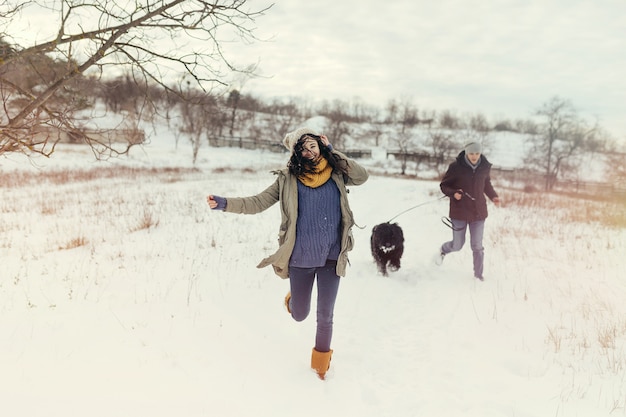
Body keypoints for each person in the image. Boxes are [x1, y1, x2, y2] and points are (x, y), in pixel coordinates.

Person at [206, 127, 369, 379]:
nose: (309, 151)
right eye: (302, 148)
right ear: (295, 153)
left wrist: (333, 151)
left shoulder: (337, 172)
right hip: (300, 257)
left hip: (331, 256)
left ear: (320, 144)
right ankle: (293, 300)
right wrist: (225, 203)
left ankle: (320, 369)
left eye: (313, 145)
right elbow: (257, 202)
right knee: (300, 315)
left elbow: (362, 176)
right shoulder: (287, 179)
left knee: (325, 315)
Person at [436, 142, 500, 281]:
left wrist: (493, 196)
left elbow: (486, 184)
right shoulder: (455, 167)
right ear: (466, 153)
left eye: (477, 153)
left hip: (478, 212)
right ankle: (443, 250)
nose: (474, 156)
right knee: (457, 245)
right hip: (459, 212)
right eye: (471, 153)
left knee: (477, 245)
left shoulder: (484, 167)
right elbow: (444, 185)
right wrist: (453, 193)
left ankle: (478, 275)